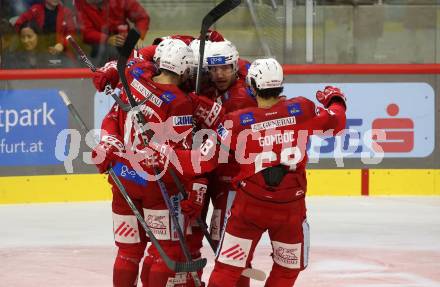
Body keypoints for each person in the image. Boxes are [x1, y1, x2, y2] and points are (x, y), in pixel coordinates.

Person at [152, 58, 347, 287]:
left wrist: (164, 151)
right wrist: (335, 98)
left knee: (227, 269)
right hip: (290, 209)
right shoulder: (302, 108)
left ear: (252, 86)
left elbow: (201, 162)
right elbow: (337, 120)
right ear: (281, 83)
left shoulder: (235, 122)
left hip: (249, 208)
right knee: (286, 270)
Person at [92, 39, 207, 287]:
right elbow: (179, 154)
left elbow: (112, 117)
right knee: (164, 251)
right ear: (185, 70)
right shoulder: (180, 102)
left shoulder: (134, 76)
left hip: (123, 176)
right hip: (157, 186)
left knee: (128, 252)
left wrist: (108, 144)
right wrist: (195, 186)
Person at [74, 0, 150, 66]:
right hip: (95, 46)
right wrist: (107, 39)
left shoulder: (122, 1)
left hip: (124, 41)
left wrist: (137, 37)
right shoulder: (79, 4)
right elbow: (86, 33)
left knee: (143, 54)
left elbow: (142, 17)